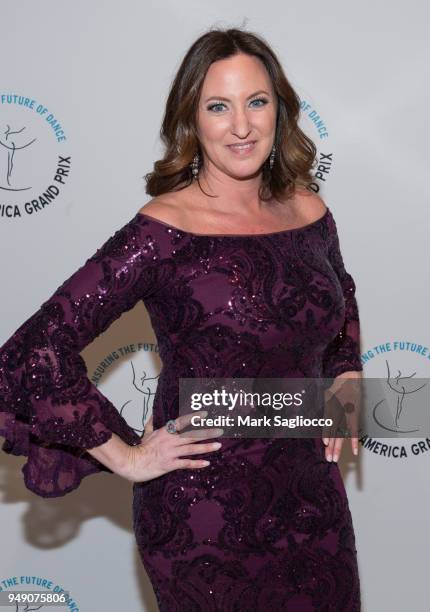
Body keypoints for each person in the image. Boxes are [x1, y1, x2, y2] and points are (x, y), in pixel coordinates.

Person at [0, 27, 363, 612]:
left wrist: (346, 377)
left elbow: (339, 297)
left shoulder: (308, 207)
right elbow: (33, 351)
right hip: (204, 512)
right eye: (218, 106)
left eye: (257, 102)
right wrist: (126, 455)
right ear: (191, 120)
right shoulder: (162, 230)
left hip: (310, 497)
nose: (241, 126)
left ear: (281, 110)